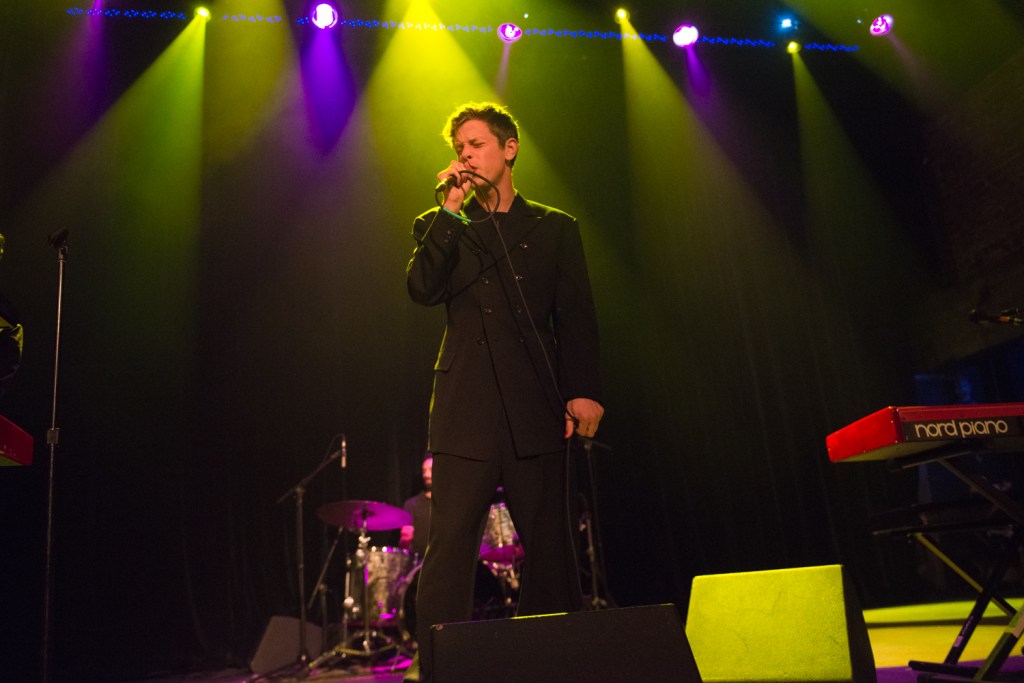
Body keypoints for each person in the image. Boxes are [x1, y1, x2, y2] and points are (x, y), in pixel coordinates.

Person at [404, 102, 604, 681]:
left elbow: (577, 318)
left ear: (509, 147)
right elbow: (419, 289)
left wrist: (584, 390)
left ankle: (552, 662)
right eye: (459, 147)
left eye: (476, 143)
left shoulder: (554, 227)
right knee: (449, 546)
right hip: (465, 407)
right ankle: (442, 665)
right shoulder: (441, 225)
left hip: (535, 404)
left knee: (550, 544)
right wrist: (450, 208)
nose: (466, 154)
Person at [399, 453, 433, 559]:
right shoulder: (411, 505)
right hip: (418, 566)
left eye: (431, 470)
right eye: (424, 471)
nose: (426, 475)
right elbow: (404, 548)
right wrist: (405, 540)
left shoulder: (449, 503)